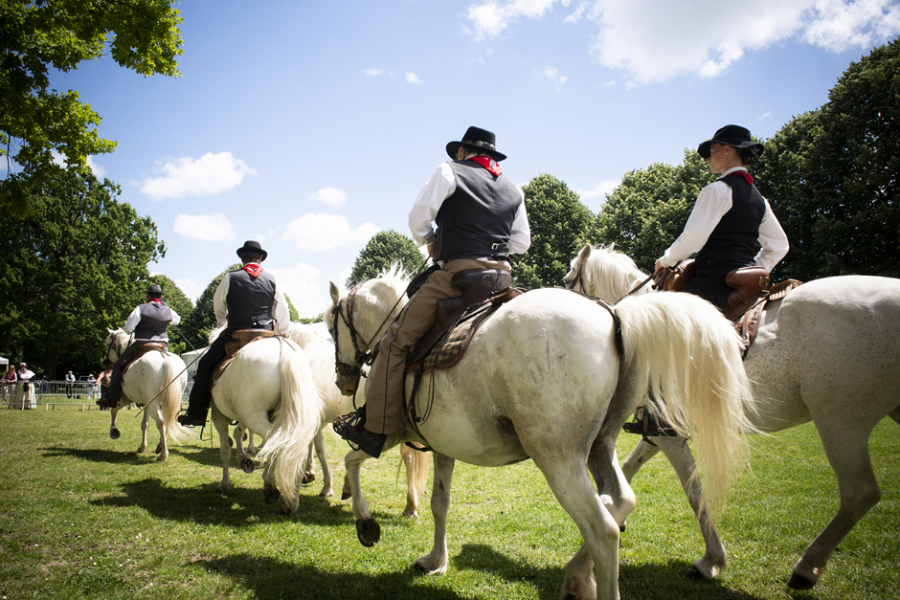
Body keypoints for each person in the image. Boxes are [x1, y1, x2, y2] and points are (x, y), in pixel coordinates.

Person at [335, 126, 531, 458]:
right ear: (492, 157)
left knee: (395, 343)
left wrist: (431, 240)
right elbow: (521, 243)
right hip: (501, 280)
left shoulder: (448, 171)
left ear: (462, 152)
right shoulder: (514, 188)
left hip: (455, 275)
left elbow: (417, 222)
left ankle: (375, 430)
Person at [654, 124, 789, 312]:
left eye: (711, 152)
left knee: (663, 318)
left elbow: (692, 241)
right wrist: (752, 272)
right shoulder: (761, 201)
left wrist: (664, 261)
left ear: (727, 149)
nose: (708, 159)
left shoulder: (717, 190)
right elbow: (779, 245)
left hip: (712, 283)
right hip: (742, 285)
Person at [178, 241, 291, 427]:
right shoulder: (273, 279)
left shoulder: (230, 277)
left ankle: (197, 414)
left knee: (205, 364)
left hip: (237, 333)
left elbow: (218, 304)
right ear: (260, 258)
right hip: (266, 334)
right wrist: (282, 332)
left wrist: (221, 322)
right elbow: (282, 309)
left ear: (242, 258)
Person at [101, 284, 180, 408]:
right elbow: (176, 320)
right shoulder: (167, 310)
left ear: (147, 295)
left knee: (117, 366)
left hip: (142, 344)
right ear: (160, 296)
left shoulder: (141, 308)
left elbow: (127, 329)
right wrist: (163, 308)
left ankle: (113, 398)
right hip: (162, 346)